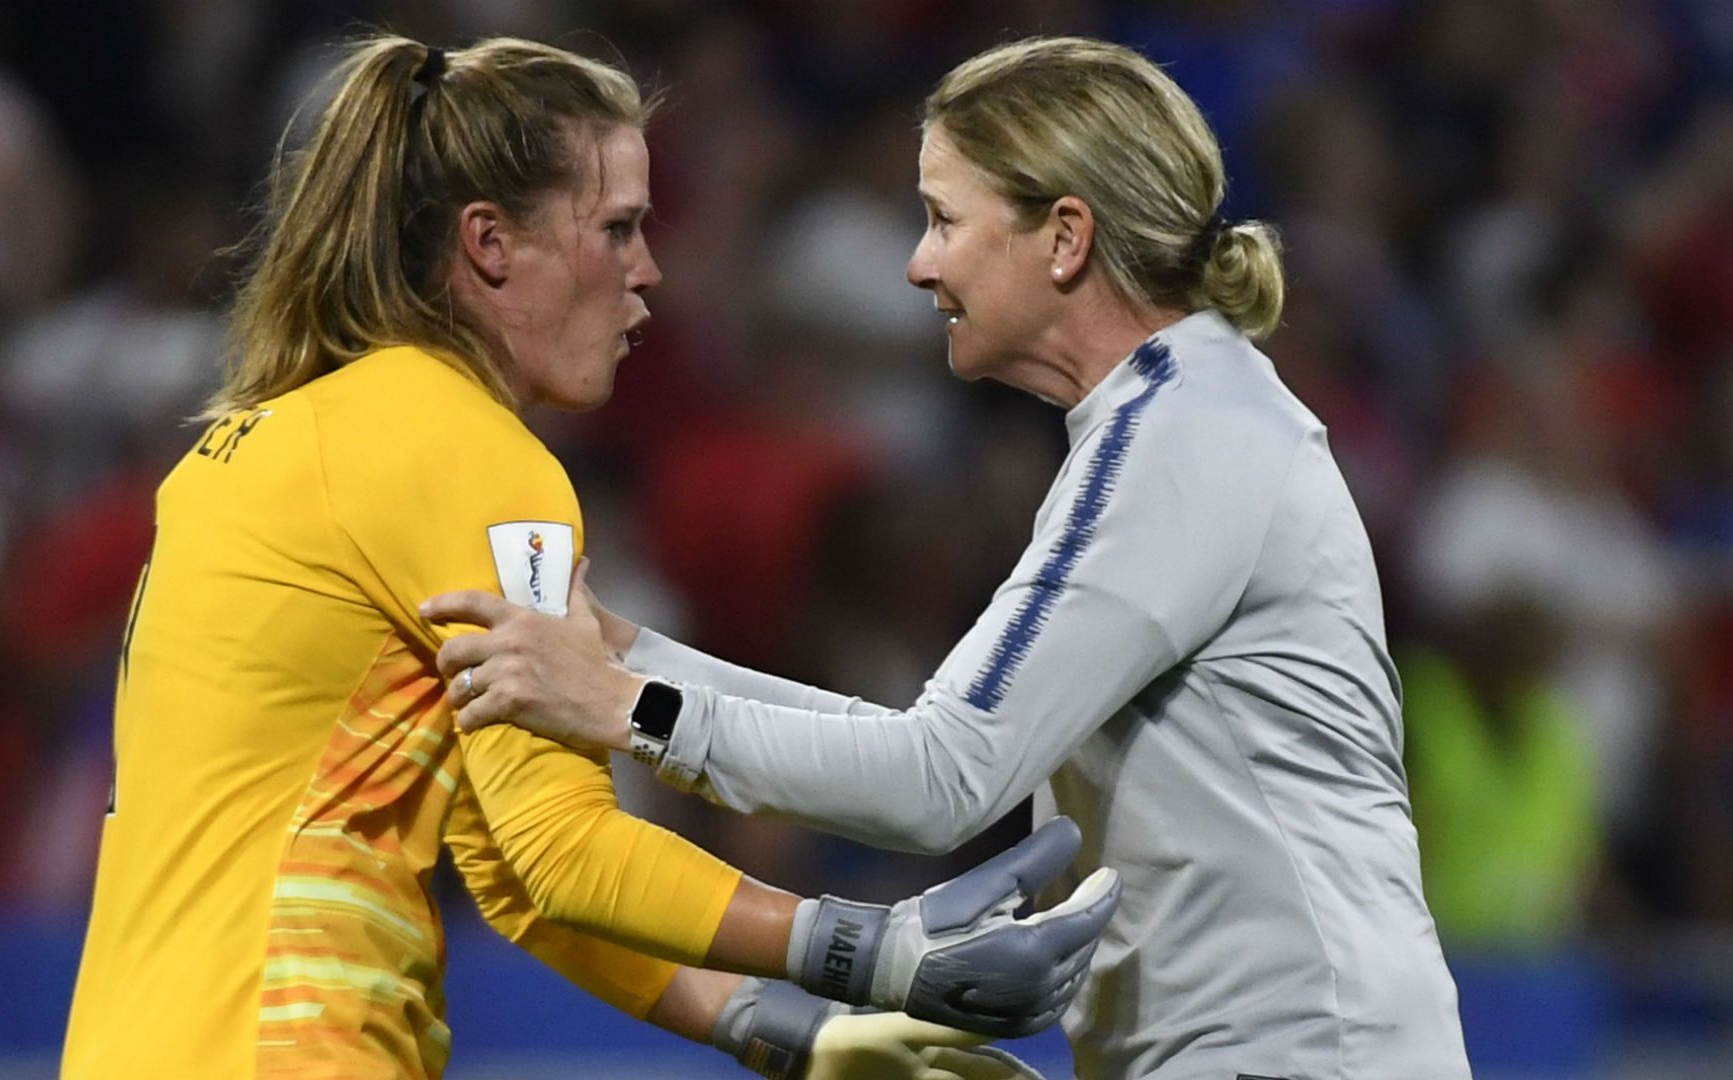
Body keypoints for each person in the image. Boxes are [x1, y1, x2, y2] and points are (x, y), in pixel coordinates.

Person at [60, 35, 1123, 1080]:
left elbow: (514, 866)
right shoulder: (471, 454)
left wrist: (776, 1026)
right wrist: (871, 950)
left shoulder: (240, 448)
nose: (648, 272)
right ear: (489, 244)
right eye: (617, 229)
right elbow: (567, 848)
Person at [423, 36, 1473, 1079]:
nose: (920, 264)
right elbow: (929, 741)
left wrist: (625, 709)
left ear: (1064, 237)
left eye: (943, 220)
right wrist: (629, 660)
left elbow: (939, 781)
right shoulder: (1178, 421)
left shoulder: (1182, 442)